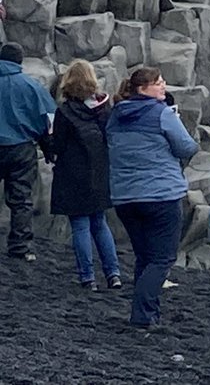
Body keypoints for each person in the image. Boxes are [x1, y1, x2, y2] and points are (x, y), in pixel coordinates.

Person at [107, 67, 199, 328]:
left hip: (125, 197)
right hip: (161, 195)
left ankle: (147, 313)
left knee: (145, 257)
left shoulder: (115, 116)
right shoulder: (162, 114)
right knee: (162, 259)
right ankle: (143, 314)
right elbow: (187, 147)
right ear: (142, 88)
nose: (164, 86)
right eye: (158, 83)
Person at [49, 59, 122, 291]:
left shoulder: (65, 111)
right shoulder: (104, 108)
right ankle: (113, 274)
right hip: (99, 172)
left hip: (73, 175)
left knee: (80, 226)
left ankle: (88, 277)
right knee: (99, 223)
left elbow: (57, 146)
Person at [0, 42, 55, 261]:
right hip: (21, 148)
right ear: (20, 61)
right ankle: (19, 247)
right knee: (21, 199)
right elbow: (49, 121)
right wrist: (50, 150)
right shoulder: (32, 87)